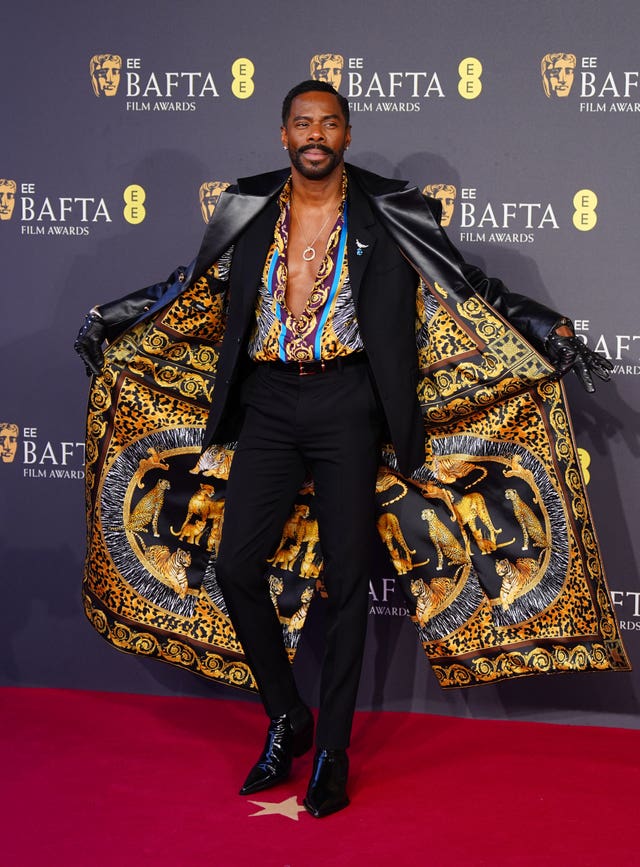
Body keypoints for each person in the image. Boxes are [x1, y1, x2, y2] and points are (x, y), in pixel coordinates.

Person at [75, 79, 614, 818]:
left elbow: (469, 286)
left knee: (349, 580)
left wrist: (547, 327)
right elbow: (191, 284)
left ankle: (331, 750)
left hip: (347, 403)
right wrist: (115, 315)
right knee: (236, 565)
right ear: (284, 134)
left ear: (348, 135)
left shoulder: (391, 209)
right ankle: (287, 716)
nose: (316, 135)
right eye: (303, 123)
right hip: (267, 400)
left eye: (329, 123)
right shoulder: (248, 203)